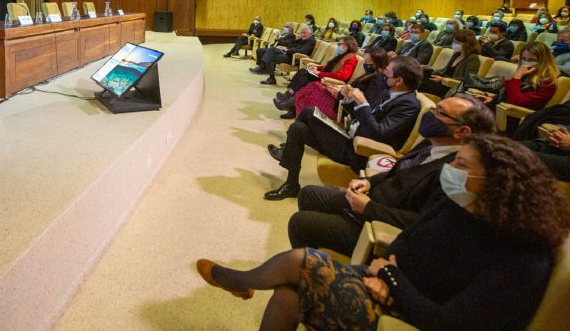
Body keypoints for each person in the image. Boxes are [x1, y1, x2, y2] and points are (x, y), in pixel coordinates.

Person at [197, 134, 568, 331]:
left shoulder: (521, 255)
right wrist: (389, 270)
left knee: (302, 262)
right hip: (396, 287)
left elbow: (449, 323)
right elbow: (408, 238)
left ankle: (238, 280)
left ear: (495, 182)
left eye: (459, 164)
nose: (449, 169)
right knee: (288, 295)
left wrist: (388, 277)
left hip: (417, 316)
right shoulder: (458, 204)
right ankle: (240, 281)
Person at [289, 94, 495, 256]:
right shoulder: (435, 141)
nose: (430, 113)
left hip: (379, 223)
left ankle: (307, 278)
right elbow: (397, 170)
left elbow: (424, 223)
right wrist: (369, 182)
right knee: (309, 195)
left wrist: (369, 208)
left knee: (300, 223)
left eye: (440, 112)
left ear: (462, 132)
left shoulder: (457, 173)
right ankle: (315, 257)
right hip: (372, 199)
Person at [264, 57, 422, 200]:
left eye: (387, 73)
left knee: (308, 112)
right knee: (298, 128)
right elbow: (363, 116)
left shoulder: (408, 105)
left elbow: (378, 134)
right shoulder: (389, 91)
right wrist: (348, 99)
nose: (383, 75)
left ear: (399, 80)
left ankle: (286, 152)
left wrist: (363, 103)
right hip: (348, 135)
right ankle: (292, 184)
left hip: (359, 151)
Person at [274, 36, 359, 119]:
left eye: (340, 44)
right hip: (324, 76)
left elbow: (342, 76)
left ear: (348, 45)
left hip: (329, 81)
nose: (338, 46)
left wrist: (319, 74)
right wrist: (317, 68)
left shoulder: (351, 59)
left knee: (303, 75)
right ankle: (290, 104)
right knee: (303, 73)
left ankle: (287, 100)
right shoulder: (342, 55)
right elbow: (329, 66)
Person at [293, 47, 389, 120]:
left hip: (341, 109)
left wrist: (341, 93)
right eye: (365, 60)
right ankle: (296, 114)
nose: (365, 63)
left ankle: (295, 114)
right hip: (339, 99)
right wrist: (339, 89)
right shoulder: (370, 73)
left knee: (310, 90)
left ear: (378, 62)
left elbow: (365, 103)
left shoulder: (377, 78)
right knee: (313, 87)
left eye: (368, 61)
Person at [479, 42, 558, 112]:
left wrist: (516, 77)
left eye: (532, 60)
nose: (526, 62)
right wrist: (493, 99)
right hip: (502, 108)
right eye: (524, 58)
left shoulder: (548, 83)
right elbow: (508, 94)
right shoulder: (527, 75)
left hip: (515, 117)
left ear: (543, 61)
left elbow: (516, 101)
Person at [514, 101, 570, 181]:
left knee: (517, 158)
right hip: (554, 147)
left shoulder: (549, 88)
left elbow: (517, 99)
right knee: (506, 148)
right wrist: (557, 134)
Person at [418, 29, 480, 98]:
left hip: (451, 87)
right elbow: (445, 70)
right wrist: (431, 69)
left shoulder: (473, 58)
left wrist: (443, 79)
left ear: (467, 44)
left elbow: (468, 79)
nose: (454, 44)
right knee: (422, 74)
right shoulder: (456, 54)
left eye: (457, 42)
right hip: (442, 82)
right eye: (454, 41)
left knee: (421, 83)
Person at [251, 25, 316, 85]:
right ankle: (264, 69)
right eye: (301, 33)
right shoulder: (304, 39)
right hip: (289, 53)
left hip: (294, 58)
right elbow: (293, 44)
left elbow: (302, 51)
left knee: (271, 56)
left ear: (310, 33)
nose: (302, 34)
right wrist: (285, 47)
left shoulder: (311, 41)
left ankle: (265, 71)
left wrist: (288, 50)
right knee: (272, 49)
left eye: (304, 33)